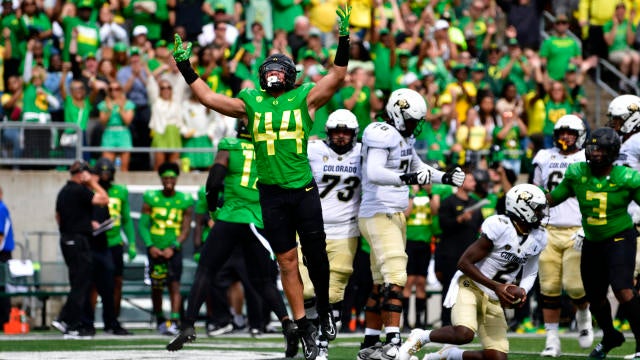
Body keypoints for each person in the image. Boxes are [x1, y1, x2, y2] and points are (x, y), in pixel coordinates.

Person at [167, 6, 353, 360]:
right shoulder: (251, 101)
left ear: (290, 74)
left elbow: (338, 75)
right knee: (285, 262)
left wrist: (343, 39)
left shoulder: (304, 96)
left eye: (278, 67)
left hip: (302, 189)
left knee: (316, 256)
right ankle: (303, 327)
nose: (273, 71)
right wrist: (185, 66)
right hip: (270, 194)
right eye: (268, 67)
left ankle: (325, 313)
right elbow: (208, 97)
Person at [167, 121, 297, 355]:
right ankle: (287, 323)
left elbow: (214, 181)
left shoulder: (230, 145)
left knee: (205, 271)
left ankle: (188, 325)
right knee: (264, 281)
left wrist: (213, 209)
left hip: (230, 216)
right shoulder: (271, 149)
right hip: (256, 221)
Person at [356, 88, 465, 360]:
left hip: (392, 213)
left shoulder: (403, 138)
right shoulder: (380, 132)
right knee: (396, 276)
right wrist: (409, 178)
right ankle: (394, 342)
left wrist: (446, 178)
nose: (416, 126)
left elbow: (419, 167)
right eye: (414, 120)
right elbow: (375, 171)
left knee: (380, 282)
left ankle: (369, 345)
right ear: (399, 114)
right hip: (378, 211)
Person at [398, 183, 548, 360]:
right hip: (470, 285)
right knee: (464, 333)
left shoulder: (539, 236)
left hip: (494, 296)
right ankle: (421, 336)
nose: (541, 213)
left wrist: (522, 291)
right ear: (523, 208)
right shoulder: (500, 226)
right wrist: (497, 286)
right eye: (537, 209)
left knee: (497, 358)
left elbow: (530, 272)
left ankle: (450, 355)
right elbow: (464, 263)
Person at [548, 127, 640, 360]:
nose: (595, 153)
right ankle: (610, 335)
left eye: (601, 149)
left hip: (619, 238)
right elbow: (555, 197)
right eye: (593, 147)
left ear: (612, 152)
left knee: (622, 288)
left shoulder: (627, 177)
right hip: (592, 241)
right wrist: (532, 198)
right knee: (595, 296)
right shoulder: (577, 171)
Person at [298, 108, 362, 360]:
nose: (341, 136)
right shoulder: (313, 150)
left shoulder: (363, 153)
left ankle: (321, 343)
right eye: (337, 131)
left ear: (354, 133)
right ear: (328, 132)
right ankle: (310, 329)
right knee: (304, 289)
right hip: (309, 227)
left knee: (334, 292)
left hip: (346, 230)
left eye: (346, 132)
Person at [531, 114, 593, 357]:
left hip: (576, 229)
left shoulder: (586, 157)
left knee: (575, 285)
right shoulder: (544, 156)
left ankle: (583, 314)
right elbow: (535, 191)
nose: (565, 136)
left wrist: (587, 227)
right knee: (549, 287)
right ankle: (552, 339)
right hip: (548, 229)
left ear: (580, 135)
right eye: (562, 132)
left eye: (571, 132)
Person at [53, 160, 109, 339]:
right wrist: (93, 183)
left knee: (78, 281)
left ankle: (69, 322)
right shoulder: (79, 189)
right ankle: (67, 322)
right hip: (78, 241)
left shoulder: (64, 191)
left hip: (67, 239)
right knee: (81, 282)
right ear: (81, 174)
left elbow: (59, 216)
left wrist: (82, 224)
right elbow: (104, 199)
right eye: (88, 173)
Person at [138, 162, 194, 336]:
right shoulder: (151, 197)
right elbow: (143, 225)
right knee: (157, 286)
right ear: (161, 179)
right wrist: (150, 245)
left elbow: (186, 228)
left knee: (174, 285)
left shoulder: (185, 200)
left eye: (171, 178)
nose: (168, 181)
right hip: (155, 248)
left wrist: (174, 246)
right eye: (165, 178)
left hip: (173, 249)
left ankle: (174, 320)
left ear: (176, 179)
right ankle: (161, 319)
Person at [435, 169, 484, 328]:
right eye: (471, 180)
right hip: (451, 254)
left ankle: (467, 322)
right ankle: (446, 322)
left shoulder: (474, 202)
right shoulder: (448, 201)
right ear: (461, 183)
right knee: (449, 288)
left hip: (470, 255)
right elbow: (443, 225)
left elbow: (480, 226)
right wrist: (459, 219)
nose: (474, 183)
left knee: (469, 288)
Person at [93, 158, 137, 322]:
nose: (104, 176)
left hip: (115, 242)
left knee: (117, 282)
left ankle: (113, 319)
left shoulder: (120, 191)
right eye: (101, 173)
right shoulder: (90, 191)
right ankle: (89, 320)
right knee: (94, 283)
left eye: (107, 172)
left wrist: (131, 243)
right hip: (96, 243)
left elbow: (126, 219)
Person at [0, 185, 14, 327]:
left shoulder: (0, 208)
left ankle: (3, 320)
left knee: (2, 287)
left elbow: (0, 235)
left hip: (2, 254)